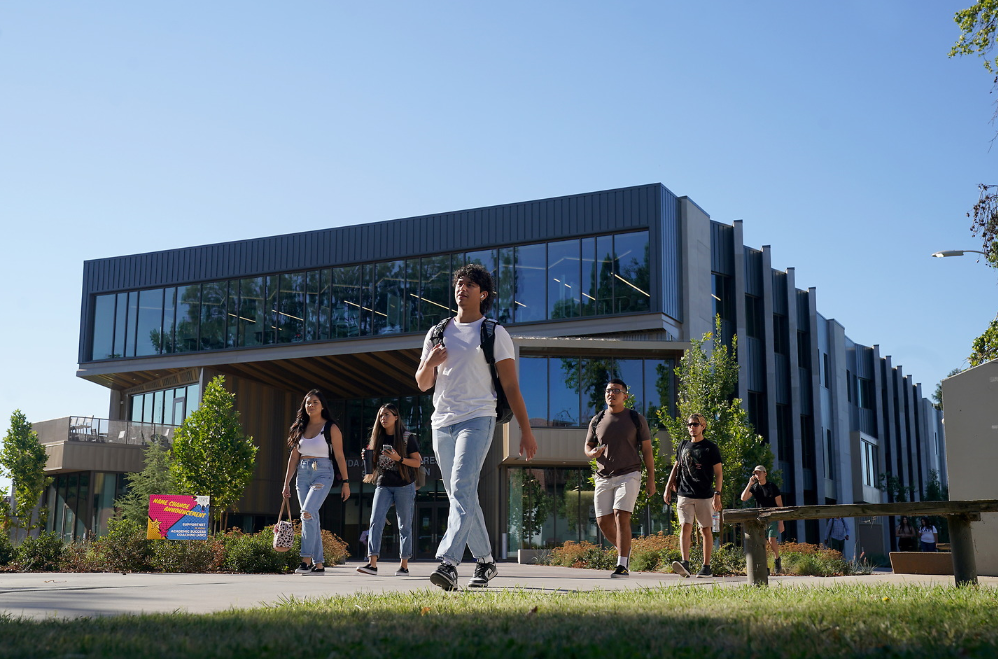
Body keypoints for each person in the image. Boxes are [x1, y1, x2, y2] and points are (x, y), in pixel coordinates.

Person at [415, 263, 538, 590]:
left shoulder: (494, 333)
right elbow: (423, 383)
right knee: (462, 493)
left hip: (478, 418)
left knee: (460, 484)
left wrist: (526, 431)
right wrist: (430, 363)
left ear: (482, 294)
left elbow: (511, 386)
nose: (462, 288)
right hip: (441, 421)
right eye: (459, 283)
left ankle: (449, 563)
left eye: (470, 284)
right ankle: (485, 562)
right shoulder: (437, 332)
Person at [584, 378, 656, 579]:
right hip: (603, 476)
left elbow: (648, 450)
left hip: (629, 473)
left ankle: (622, 564)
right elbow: (587, 446)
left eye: (616, 390)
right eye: (608, 390)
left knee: (620, 514)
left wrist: (651, 479)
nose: (611, 393)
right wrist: (592, 454)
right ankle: (626, 549)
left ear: (625, 395)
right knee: (602, 522)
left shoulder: (635, 418)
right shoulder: (597, 419)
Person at [281, 389, 350, 574]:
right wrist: (286, 483)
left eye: (315, 402)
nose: (310, 405)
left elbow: (340, 456)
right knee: (311, 517)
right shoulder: (299, 428)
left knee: (307, 512)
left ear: (322, 406)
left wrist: (346, 482)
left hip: (323, 472)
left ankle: (305, 560)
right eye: (308, 402)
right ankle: (319, 564)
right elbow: (294, 458)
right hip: (302, 474)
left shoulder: (331, 428)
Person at [357, 403, 422, 577]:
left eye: (387, 414)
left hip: (404, 485)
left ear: (396, 417)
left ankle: (404, 565)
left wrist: (398, 458)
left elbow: (417, 462)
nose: (383, 418)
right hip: (383, 484)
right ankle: (372, 564)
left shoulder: (407, 438)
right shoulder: (377, 438)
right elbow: (375, 465)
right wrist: (367, 458)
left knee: (404, 526)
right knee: (375, 521)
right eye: (380, 415)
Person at [664, 413, 723, 578]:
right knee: (685, 526)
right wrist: (668, 487)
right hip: (684, 493)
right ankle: (685, 563)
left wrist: (717, 494)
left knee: (705, 530)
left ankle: (706, 567)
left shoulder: (710, 447)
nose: (692, 427)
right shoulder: (683, 445)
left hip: (704, 495)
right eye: (689, 424)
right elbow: (676, 467)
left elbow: (719, 473)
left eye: (695, 424)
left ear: (703, 426)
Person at [740, 465, 784, 574]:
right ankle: (765, 566)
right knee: (762, 543)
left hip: (772, 516)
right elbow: (743, 498)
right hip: (760, 519)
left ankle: (777, 559)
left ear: (765, 473)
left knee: (771, 540)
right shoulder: (755, 487)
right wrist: (750, 483)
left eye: (760, 472)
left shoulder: (772, 486)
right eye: (756, 473)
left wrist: (781, 521)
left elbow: (780, 505)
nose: (757, 475)